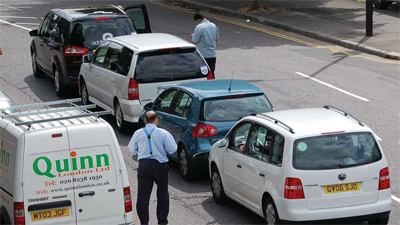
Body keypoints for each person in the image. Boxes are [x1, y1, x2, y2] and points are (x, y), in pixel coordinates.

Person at [128, 111, 177, 225]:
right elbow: (172, 149)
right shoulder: (163, 133)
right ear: (156, 120)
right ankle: (162, 221)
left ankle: (144, 223)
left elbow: (132, 150)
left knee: (142, 198)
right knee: (163, 194)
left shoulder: (138, 133)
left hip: (144, 165)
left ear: (145, 120)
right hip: (160, 165)